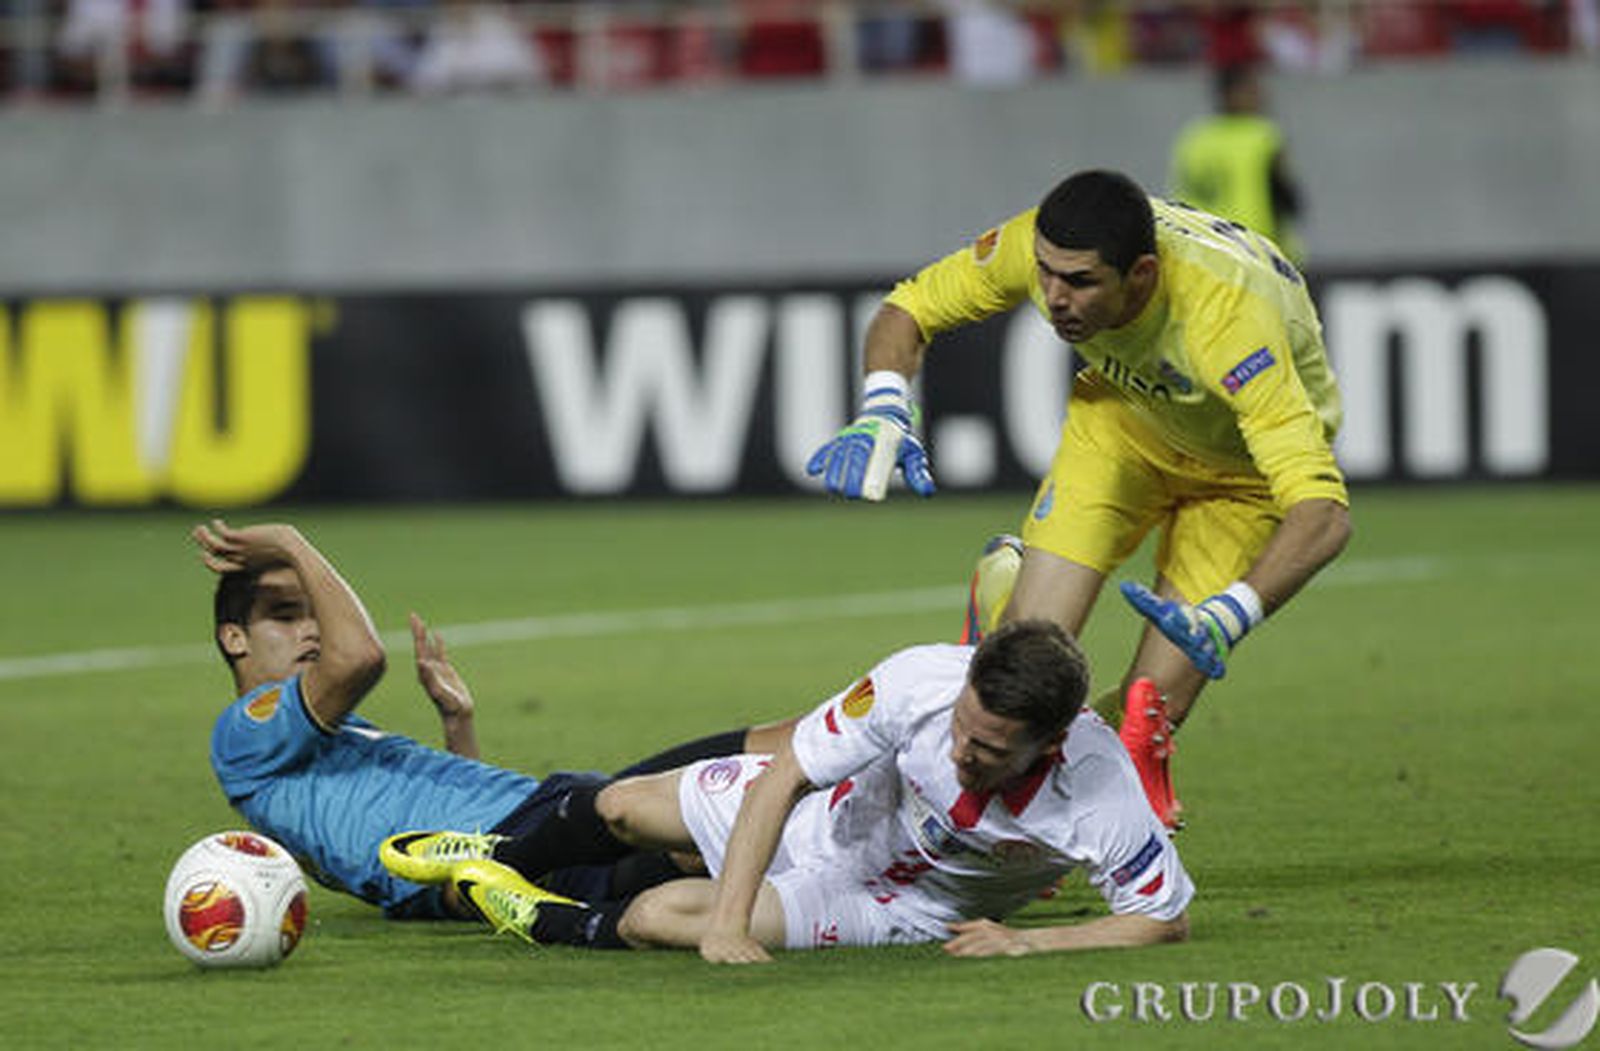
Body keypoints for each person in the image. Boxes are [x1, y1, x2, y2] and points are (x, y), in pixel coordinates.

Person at [804, 169, 1351, 827]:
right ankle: (1001, 601)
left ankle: (1046, 815)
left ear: (1142, 276)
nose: (1054, 297)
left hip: (1240, 483)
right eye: (1046, 275)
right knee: (1021, 678)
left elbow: (1323, 515)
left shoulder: (1230, 321)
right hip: (1121, 431)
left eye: (1081, 282)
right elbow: (911, 306)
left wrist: (1230, 616)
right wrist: (885, 405)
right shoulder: (1043, 245)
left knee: (1149, 714)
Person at [386, 620, 1193, 962]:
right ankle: (495, 854)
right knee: (623, 805)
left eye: (987, 748)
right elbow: (788, 773)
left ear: (1048, 741)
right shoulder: (921, 680)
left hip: (894, 908)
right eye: (960, 727)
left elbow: (1162, 918)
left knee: (652, 916)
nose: (962, 750)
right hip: (822, 817)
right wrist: (732, 920)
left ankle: (533, 913)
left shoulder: (1098, 787)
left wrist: (1029, 940)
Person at [197, 519, 781, 919]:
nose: (312, 630)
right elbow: (360, 656)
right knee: (725, 837)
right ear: (234, 638)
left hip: (542, 814)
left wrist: (458, 725)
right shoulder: (244, 733)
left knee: (768, 750)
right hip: (528, 859)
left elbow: (446, 815)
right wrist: (292, 544)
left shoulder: (320, 737)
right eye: (283, 615)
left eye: (310, 613)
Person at [1170, 63, 1306, 264]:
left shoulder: (1193, 138)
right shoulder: (1261, 135)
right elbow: (1285, 197)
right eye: (1251, 90)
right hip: (1256, 249)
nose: (1260, 97)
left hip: (1204, 252)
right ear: (1230, 95)